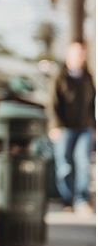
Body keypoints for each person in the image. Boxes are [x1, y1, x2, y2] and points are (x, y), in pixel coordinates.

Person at [47, 40, 96, 214]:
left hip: (85, 127)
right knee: (65, 166)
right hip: (64, 127)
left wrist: (94, 128)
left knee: (83, 163)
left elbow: (92, 105)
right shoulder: (60, 76)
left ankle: (82, 200)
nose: (79, 57)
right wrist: (55, 126)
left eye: (82, 53)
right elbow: (53, 103)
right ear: (68, 54)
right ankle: (67, 200)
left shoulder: (87, 76)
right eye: (76, 53)